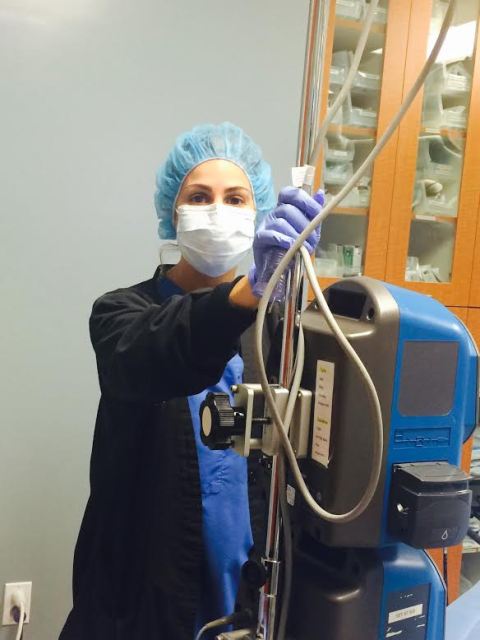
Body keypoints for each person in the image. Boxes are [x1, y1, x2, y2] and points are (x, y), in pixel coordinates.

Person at [59, 122, 324, 640]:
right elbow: (149, 355)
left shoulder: (279, 331)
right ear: (173, 211)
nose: (218, 211)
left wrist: (277, 298)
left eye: (236, 198)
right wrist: (248, 293)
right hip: (139, 604)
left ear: (259, 215)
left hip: (248, 599)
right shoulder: (122, 313)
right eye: (200, 197)